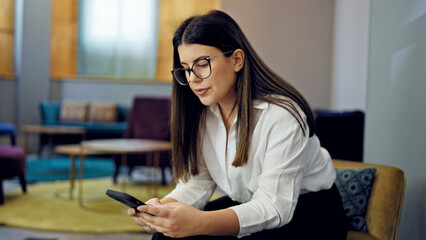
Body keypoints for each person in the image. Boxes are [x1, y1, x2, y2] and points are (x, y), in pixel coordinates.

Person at [128, 10, 348, 240]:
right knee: (165, 236)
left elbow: (275, 207)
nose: (192, 78)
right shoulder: (201, 113)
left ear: (236, 60)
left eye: (202, 64)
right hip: (251, 201)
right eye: (185, 68)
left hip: (310, 213)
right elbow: (198, 182)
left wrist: (198, 223)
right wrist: (162, 209)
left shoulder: (282, 116)